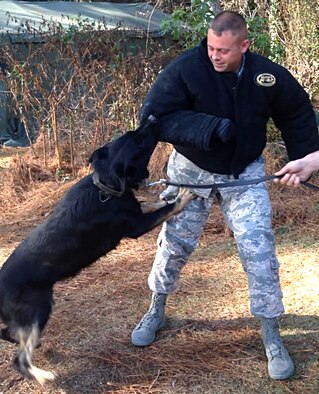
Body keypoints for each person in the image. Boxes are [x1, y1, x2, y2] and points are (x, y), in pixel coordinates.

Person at [131, 11, 319, 380]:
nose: (215, 55)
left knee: (259, 248)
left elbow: (297, 113)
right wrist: (207, 129)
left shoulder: (267, 75)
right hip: (190, 173)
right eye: (211, 47)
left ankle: (270, 332)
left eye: (224, 50)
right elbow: (153, 116)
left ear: (244, 46)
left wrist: (306, 160)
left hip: (245, 172)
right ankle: (156, 307)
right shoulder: (186, 68)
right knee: (174, 245)